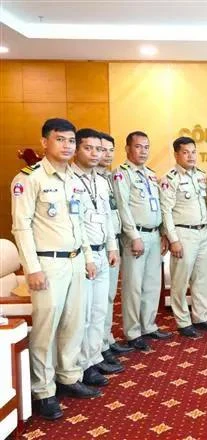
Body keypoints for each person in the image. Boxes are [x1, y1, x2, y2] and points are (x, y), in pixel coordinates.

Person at [11, 118, 100, 420]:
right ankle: (44, 390)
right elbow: (20, 228)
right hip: (47, 264)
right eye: (60, 139)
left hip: (76, 261)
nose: (67, 146)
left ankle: (69, 375)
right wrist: (32, 268)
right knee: (47, 328)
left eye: (71, 141)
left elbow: (81, 223)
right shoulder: (29, 179)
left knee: (74, 323)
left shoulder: (74, 178)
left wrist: (88, 256)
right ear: (44, 142)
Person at [72, 129, 124, 387]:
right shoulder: (69, 180)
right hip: (84, 255)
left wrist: (112, 247)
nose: (96, 154)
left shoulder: (101, 182)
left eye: (100, 149)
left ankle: (93, 359)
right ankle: (81, 365)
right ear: (77, 150)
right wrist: (88, 255)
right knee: (84, 314)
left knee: (99, 309)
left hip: (104, 250)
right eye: (89, 148)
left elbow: (106, 218)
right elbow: (75, 223)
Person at [113, 131, 170, 351]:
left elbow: (160, 206)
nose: (143, 151)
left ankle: (149, 325)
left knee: (152, 284)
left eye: (146, 147)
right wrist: (134, 236)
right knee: (133, 286)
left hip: (154, 235)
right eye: (138, 147)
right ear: (127, 149)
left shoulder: (150, 174)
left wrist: (163, 232)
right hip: (135, 236)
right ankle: (133, 331)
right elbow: (123, 207)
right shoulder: (121, 174)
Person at [159, 136, 207, 338]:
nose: (191, 156)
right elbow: (165, 210)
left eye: (193, 152)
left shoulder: (201, 176)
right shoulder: (170, 179)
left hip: (203, 232)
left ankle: (201, 317)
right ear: (176, 154)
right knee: (180, 280)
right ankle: (183, 321)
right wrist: (173, 239)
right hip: (183, 233)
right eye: (186, 152)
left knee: (202, 278)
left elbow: (206, 204)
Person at [96, 132, 134, 367]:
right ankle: (98, 349)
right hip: (94, 247)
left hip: (113, 242)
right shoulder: (86, 180)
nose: (106, 154)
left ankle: (106, 340)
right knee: (98, 301)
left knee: (109, 297)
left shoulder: (109, 178)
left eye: (110, 150)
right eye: (101, 150)